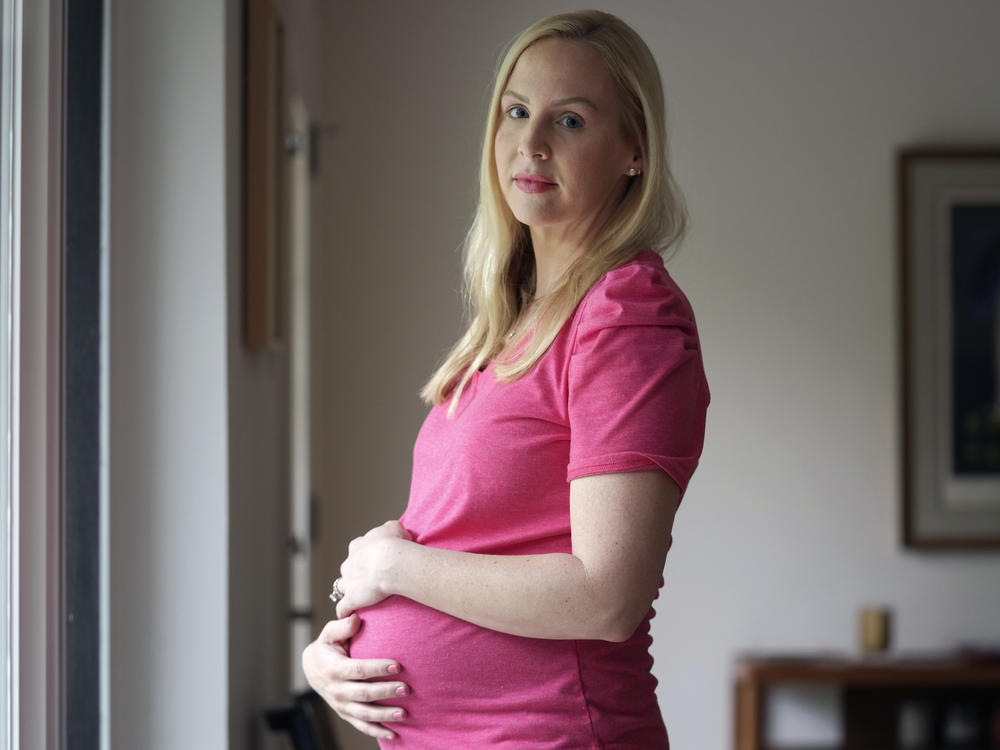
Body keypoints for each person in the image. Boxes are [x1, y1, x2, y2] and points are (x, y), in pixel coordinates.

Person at [301, 9, 709, 749]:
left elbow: (605, 595)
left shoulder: (627, 316)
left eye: (572, 121)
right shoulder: (515, 320)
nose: (531, 142)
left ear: (634, 151)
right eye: (516, 111)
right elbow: (465, 539)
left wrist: (395, 567)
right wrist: (333, 653)